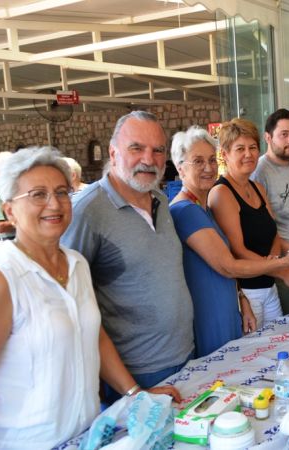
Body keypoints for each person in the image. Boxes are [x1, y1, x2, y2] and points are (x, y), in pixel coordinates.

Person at [0, 147, 178, 450]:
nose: (54, 203)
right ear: (9, 209)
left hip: (85, 437)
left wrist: (135, 393)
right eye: (38, 194)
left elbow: (93, 334)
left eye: (62, 192)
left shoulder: (75, 263)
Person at [62, 111, 195, 404]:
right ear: (113, 152)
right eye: (136, 148)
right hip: (133, 375)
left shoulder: (160, 198)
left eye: (158, 150)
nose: (149, 159)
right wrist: (129, 389)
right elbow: (71, 304)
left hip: (184, 354)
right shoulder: (86, 212)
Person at [169, 126, 289, 357]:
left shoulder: (201, 206)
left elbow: (264, 236)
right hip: (211, 311)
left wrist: (241, 298)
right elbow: (229, 264)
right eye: (197, 161)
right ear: (180, 168)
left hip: (233, 301)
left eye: (210, 160)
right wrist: (282, 267)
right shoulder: (186, 210)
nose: (208, 168)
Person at [209, 118, 289, 327]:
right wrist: (281, 269)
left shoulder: (257, 187)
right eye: (240, 149)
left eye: (253, 147)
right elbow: (238, 250)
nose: (248, 154)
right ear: (225, 154)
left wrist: (282, 259)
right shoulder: (221, 193)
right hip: (247, 293)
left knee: (278, 342)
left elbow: (273, 232)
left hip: (269, 286)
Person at [251, 108, 289, 314]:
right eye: (284, 135)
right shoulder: (259, 172)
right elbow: (262, 230)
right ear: (268, 137)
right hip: (281, 271)